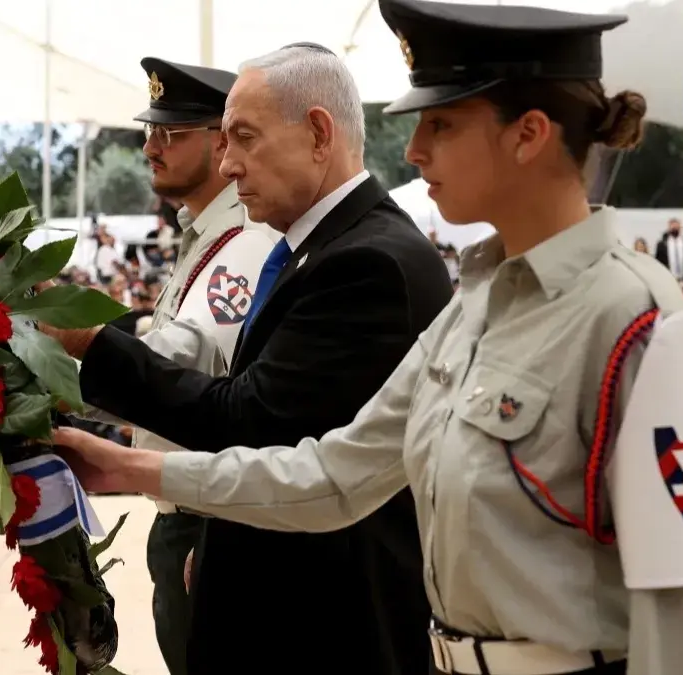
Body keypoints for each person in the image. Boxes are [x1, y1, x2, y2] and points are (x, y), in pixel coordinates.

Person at [51, 2, 683, 675]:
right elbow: (333, 475)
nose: (413, 150)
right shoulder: (475, 307)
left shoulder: (636, 314)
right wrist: (127, 469)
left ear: (527, 134)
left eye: (442, 122)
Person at [44, 42, 449, 675]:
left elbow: (254, 422)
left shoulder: (363, 263)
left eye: (243, 138)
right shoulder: (321, 249)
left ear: (319, 134)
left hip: (323, 623)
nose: (227, 163)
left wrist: (89, 346)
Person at [72, 56, 278, 675]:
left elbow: (186, 358)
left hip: (207, 517)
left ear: (221, 141)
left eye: (170, 133)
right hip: (189, 512)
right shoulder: (208, 237)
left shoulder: (246, 241)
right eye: (150, 131)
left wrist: (60, 371)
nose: (150, 147)